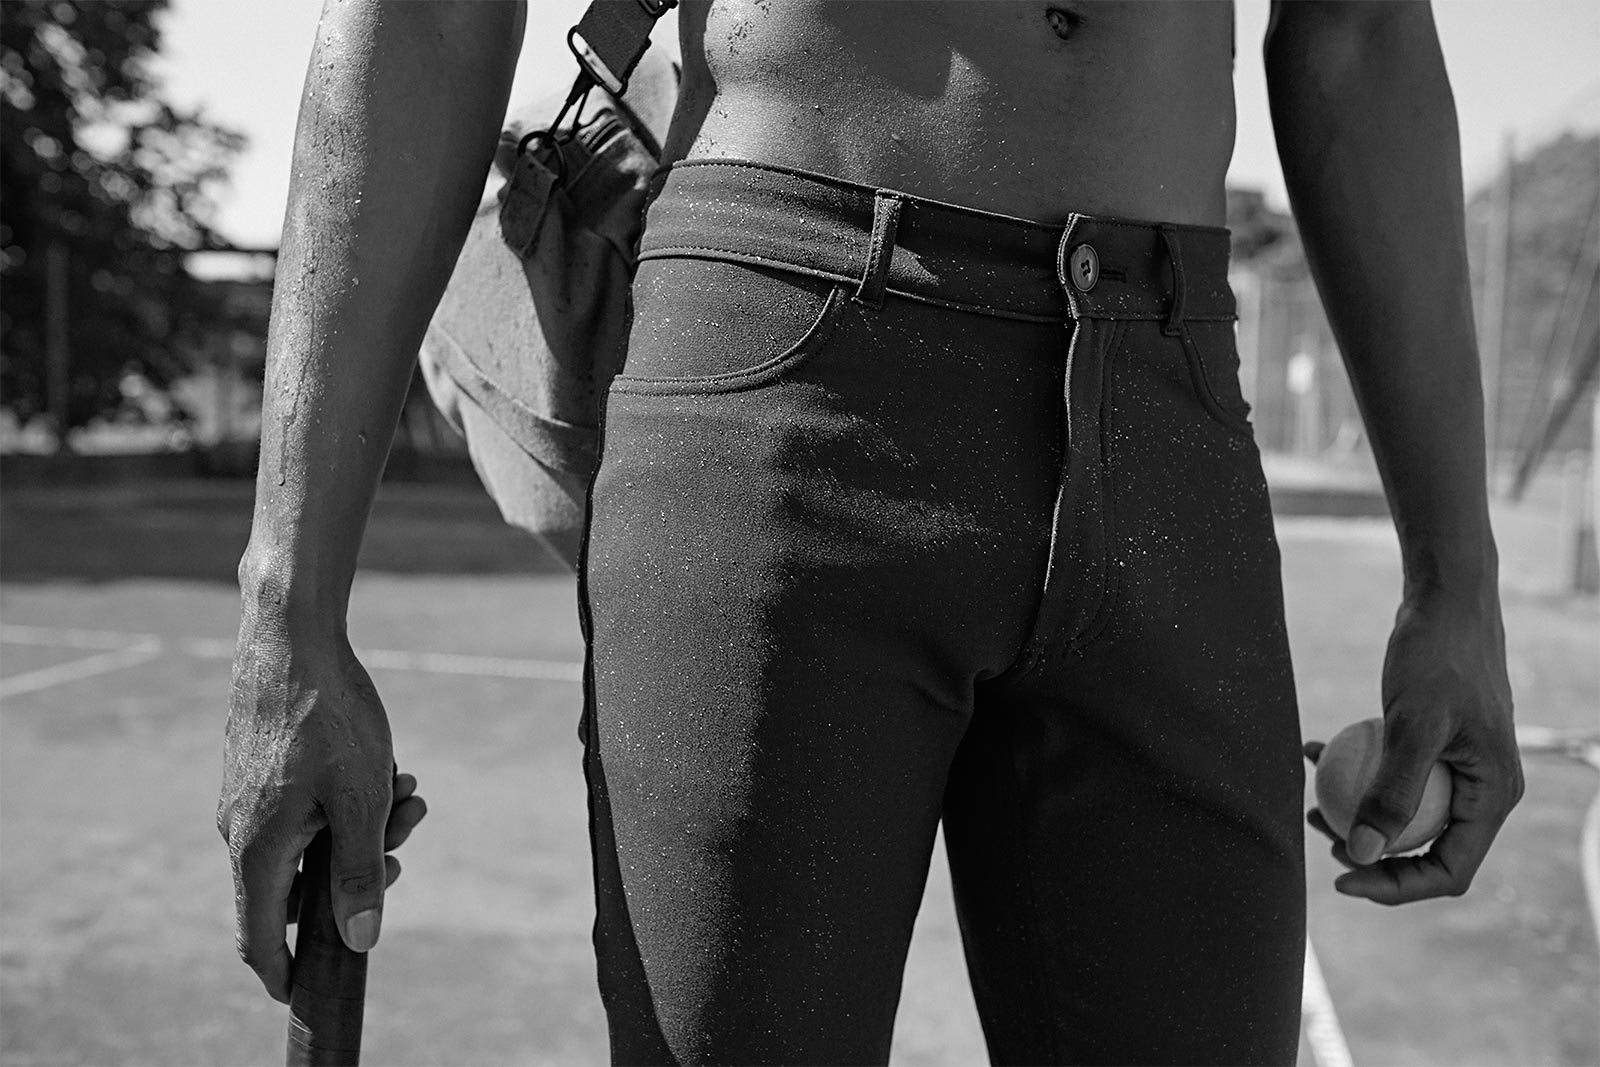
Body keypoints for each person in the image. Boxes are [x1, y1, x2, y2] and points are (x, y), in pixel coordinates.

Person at [218, 1, 1523, 1063]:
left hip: (1171, 407)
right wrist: (290, 608)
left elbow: (1359, 31)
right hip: (783, 358)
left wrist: (1456, 581)